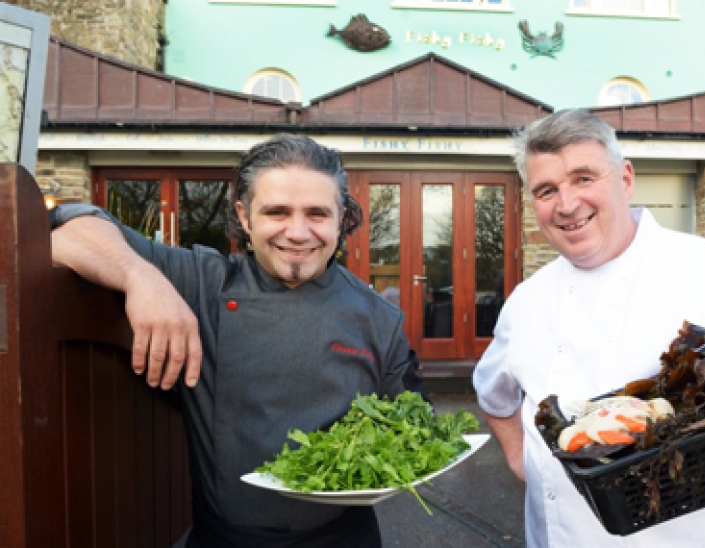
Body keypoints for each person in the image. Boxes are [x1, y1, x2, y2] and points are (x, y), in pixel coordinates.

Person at [50, 134, 425, 548]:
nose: (298, 233)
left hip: (343, 538)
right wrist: (141, 278)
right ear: (245, 218)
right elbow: (67, 230)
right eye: (277, 212)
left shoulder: (380, 318)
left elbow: (413, 427)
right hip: (225, 539)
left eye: (317, 214)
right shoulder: (202, 282)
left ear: (342, 218)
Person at [472, 109, 705, 547]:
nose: (567, 204)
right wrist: (524, 462)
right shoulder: (526, 301)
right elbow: (493, 393)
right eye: (546, 190)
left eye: (583, 178)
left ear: (625, 179)